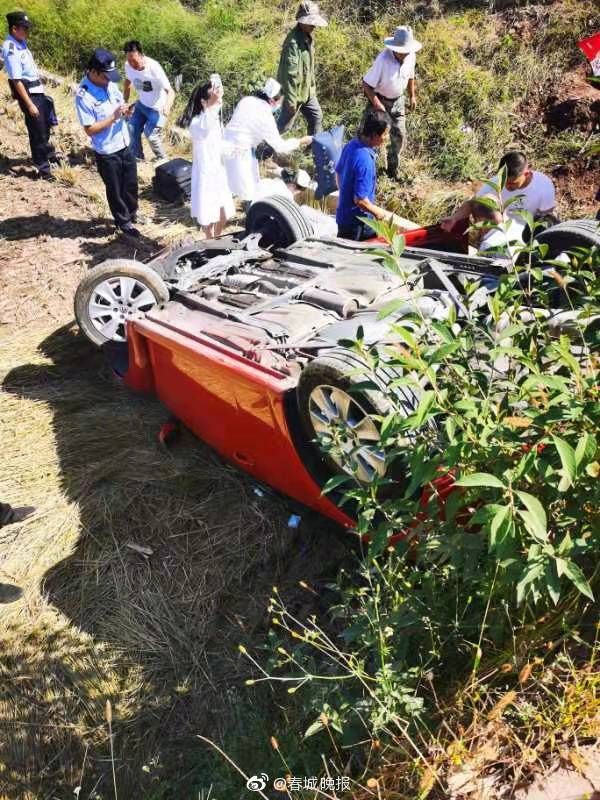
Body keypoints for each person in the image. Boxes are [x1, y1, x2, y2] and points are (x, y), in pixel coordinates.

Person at [75, 48, 140, 238]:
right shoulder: (84, 95)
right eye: (106, 76)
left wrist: (127, 112)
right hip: (107, 150)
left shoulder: (110, 84)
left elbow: (120, 106)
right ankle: (123, 222)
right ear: (94, 72)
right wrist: (113, 117)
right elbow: (90, 129)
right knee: (116, 189)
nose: (109, 80)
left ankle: (133, 213)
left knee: (131, 184)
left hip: (124, 143)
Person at [223, 77, 312, 203]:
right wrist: (301, 141)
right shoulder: (265, 114)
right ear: (272, 100)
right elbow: (280, 147)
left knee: (227, 183)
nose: (280, 105)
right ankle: (252, 216)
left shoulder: (247, 100)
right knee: (249, 189)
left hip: (225, 144)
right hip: (241, 151)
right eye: (280, 102)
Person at [1, 10, 58, 178]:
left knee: (45, 127)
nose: (27, 32)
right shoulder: (10, 48)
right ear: (14, 29)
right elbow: (17, 80)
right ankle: (43, 169)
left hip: (37, 91)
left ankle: (48, 156)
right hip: (29, 94)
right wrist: (29, 104)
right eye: (24, 28)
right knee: (37, 131)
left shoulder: (21, 43)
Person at [442, 151, 557, 233]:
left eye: (512, 183)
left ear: (526, 174)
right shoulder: (496, 183)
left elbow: (546, 217)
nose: (506, 186)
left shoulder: (543, 186)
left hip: (526, 234)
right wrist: (454, 218)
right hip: (499, 230)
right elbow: (472, 204)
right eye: (504, 181)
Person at [178, 76, 234, 238]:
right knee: (208, 213)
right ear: (203, 101)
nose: (218, 100)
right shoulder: (197, 122)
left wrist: (233, 149)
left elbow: (217, 142)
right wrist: (213, 104)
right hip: (206, 174)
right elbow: (205, 129)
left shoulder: (213, 118)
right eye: (213, 97)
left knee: (225, 213)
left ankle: (217, 237)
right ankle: (210, 240)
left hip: (219, 171)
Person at [362, 25, 421, 180]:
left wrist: (412, 96)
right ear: (394, 48)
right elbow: (367, 85)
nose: (404, 54)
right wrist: (377, 105)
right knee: (369, 137)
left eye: (406, 51)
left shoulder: (411, 56)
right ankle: (367, 169)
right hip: (380, 101)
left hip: (398, 102)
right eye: (401, 51)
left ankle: (392, 171)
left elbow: (410, 76)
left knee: (399, 134)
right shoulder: (383, 60)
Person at [335, 110, 391, 241]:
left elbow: (338, 173)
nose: (387, 138)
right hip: (357, 224)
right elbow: (360, 200)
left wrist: (344, 195)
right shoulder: (365, 160)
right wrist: (379, 213)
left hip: (344, 216)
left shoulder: (351, 145)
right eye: (385, 134)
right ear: (374, 135)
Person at [277, 1, 327, 136]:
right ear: (301, 21)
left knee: (316, 117)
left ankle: (313, 149)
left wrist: (312, 89)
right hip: (294, 94)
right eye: (310, 22)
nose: (313, 26)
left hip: (307, 92)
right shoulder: (293, 43)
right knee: (284, 126)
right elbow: (290, 75)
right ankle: (264, 150)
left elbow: (308, 69)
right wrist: (291, 101)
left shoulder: (308, 37)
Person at [123, 40, 174, 161]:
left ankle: (163, 160)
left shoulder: (154, 67)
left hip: (157, 108)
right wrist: (124, 101)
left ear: (141, 55)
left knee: (151, 136)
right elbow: (128, 81)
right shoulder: (128, 65)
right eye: (129, 60)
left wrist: (167, 107)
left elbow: (171, 91)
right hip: (142, 104)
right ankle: (138, 157)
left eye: (134, 61)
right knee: (132, 127)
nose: (131, 64)